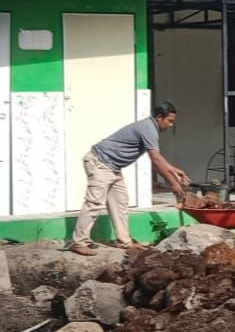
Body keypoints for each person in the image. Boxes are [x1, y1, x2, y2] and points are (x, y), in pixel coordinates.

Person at [70, 102, 190, 256]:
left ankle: (124, 242)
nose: (171, 125)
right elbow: (156, 160)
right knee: (94, 202)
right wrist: (173, 183)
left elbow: (158, 157)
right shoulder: (148, 129)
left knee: (120, 202)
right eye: (170, 121)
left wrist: (173, 170)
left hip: (112, 167)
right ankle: (79, 242)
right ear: (159, 118)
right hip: (100, 162)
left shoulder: (149, 128)